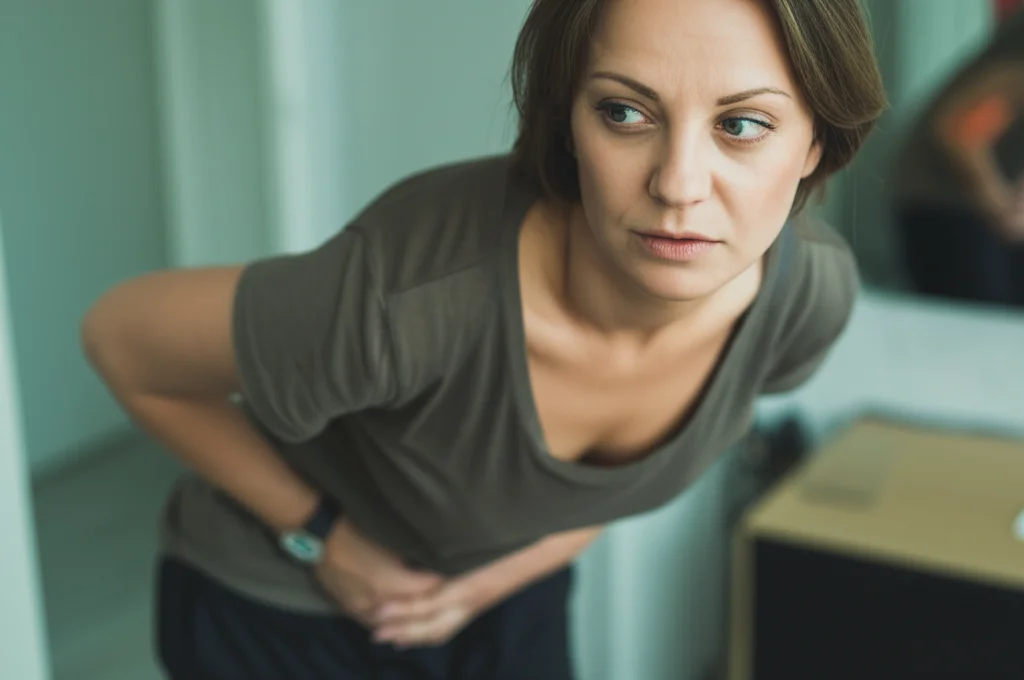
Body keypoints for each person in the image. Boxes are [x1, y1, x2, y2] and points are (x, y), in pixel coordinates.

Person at [81, 0, 885, 677]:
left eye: (742, 125)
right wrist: (322, 537)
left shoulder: (806, 296)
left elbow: (700, 438)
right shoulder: (410, 300)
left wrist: (497, 580)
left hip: (501, 588)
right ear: (568, 121)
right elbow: (119, 339)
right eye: (624, 112)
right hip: (283, 604)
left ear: (816, 141)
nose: (677, 184)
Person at [891, 5, 1024, 306]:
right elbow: (961, 132)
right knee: (984, 331)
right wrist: (1001, 205)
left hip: (968, 210)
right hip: (947, 207)